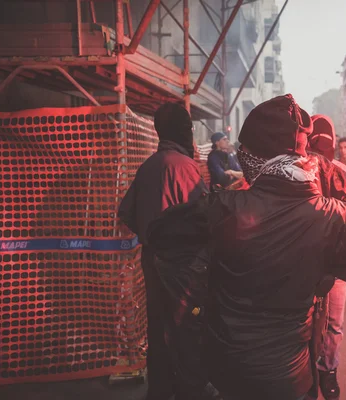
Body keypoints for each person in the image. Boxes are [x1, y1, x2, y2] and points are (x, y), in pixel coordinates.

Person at [154, 94, 346, 400]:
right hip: (289, 378)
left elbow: (163, 239)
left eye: (245, 152)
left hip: (226, 371)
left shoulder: (221, 208)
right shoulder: (333, 218)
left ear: (256, 159)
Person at [117, 102, 209, 400]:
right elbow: (205, 216)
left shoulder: (149, 165)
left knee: (157, 325)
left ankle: (159, 389)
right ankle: (187, 391)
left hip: (151, 259)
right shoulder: (182, 166)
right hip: (182, 266)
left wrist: (150, 231)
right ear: (183, 130)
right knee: (186, 326)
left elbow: (126, 212)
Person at [307, 114, 346, 400]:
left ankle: (328, 368)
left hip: (337, 266)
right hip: (303, 262)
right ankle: (306, 370)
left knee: (334, 322)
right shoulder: (297, 171)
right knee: (304, 321)